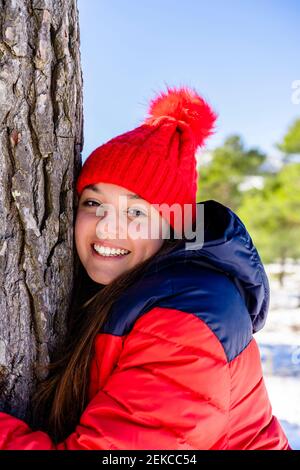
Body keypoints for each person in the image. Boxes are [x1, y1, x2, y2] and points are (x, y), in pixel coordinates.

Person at [0, 86, 291, 450]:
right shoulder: (129, 288)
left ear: (174, 226)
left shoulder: (187, 321)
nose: (106, 227)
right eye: (93, 202)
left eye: (136, 212)